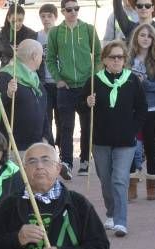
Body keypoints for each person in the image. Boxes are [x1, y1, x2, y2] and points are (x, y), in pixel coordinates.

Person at [82, 40, 147, 236]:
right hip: (100, 139)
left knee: (120, 179)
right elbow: (81, 108)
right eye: (113, 57)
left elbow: (141, 109)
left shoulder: (132, 80)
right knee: (105, 179)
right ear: (104, 60)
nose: (117, 60)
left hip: (125, 141)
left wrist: (133, 130)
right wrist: (87, 102)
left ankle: (120, 220)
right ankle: (110, 211)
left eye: (120, 57)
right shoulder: (94, 80)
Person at [46, 0, 102, 178]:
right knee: (65, 126)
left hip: (86, 86)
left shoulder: (88, 29)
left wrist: (93, 76)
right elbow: (50, 59)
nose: (73, 12)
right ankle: (66, 163)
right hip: (66, 87)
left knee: (87, 126)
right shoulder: (55, 32)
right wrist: (58, 79)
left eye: (76, 9)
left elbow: (99, 55)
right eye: (69, 9)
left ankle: (84, 161)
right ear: (63, 11)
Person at [127, 23, 155, 201]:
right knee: (130, 146)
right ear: (136, 37)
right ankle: (132, 183)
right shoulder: (128, 58)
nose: (145, 38)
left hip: (152, 109)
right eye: (142, 35)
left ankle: (151, 184)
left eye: (149, 36)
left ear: (153, 40)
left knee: (151, 147)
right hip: (131, 110)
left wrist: (144, 83)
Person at [0, 39, 50, 151]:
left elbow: (43, 112)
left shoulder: (35, 79)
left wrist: (46, 137)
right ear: (34, 56)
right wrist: (8, 94)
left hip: (35, 147)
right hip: (11, 147)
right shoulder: (7, 76)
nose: (42, 59)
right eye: (41, 56)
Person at [0, 3, 40, 83]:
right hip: (6, 78)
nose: (17, 24)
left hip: (26, 80)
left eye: (20, 20)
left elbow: (37, 60)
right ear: (8, 18)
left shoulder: (31, 35)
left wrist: (41, 83)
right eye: (14, 20)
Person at [37, 3, 60, 146]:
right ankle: (49, 148)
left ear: (55, 17)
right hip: (44, 83)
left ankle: (62, 148)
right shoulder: (37, 36)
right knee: (46, 118)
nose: (46, 19)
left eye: (49, 16)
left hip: (60, 83)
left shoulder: (61, 34)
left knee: (62, 119)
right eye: (43, 16)